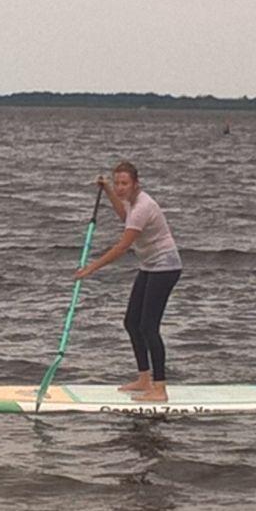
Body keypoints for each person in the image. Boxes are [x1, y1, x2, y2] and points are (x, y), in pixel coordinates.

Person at [74, 161, 182, 403]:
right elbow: (125, 216)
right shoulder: (133, 204)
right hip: (149, 266)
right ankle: (144, 379)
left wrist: (90, 269)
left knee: (148, 327)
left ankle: (160, 388)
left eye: (124, 184)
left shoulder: (143, 206)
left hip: (166, 267)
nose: (120, 187)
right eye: (117, 183)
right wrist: (109, 191)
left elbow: (123, 246)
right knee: (132, 322)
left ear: (136, 184)